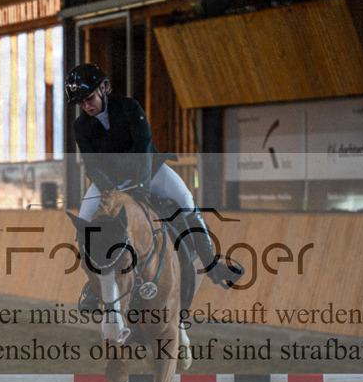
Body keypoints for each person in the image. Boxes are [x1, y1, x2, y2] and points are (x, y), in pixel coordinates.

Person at [65, 63, 243, 308]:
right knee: (83, 223)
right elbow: (92, 164)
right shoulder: (80, 126)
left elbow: (143, 149)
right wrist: (110, 191)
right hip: (109, 182)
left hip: (150, 171)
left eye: (88, 99)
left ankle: (212, 265)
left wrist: (142, 185)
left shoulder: (129, 108)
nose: (86, 106)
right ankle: (95, 288)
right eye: (81, 103)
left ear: (103, 88)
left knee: (186, 203)